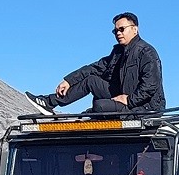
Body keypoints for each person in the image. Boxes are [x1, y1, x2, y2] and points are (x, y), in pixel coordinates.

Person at [24, 12, 165, 115]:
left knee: (99, 106)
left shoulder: (147, 52)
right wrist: (68, 80)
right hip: (123, 98)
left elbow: (150, 86)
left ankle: (93, 113)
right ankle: (49, 103)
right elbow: (94, 68)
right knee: (91, 80)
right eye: (115, 31)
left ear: (135, 29)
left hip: (144, 108)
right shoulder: (118, 53)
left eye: (122, 29)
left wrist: (129, 100)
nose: (118, 33)